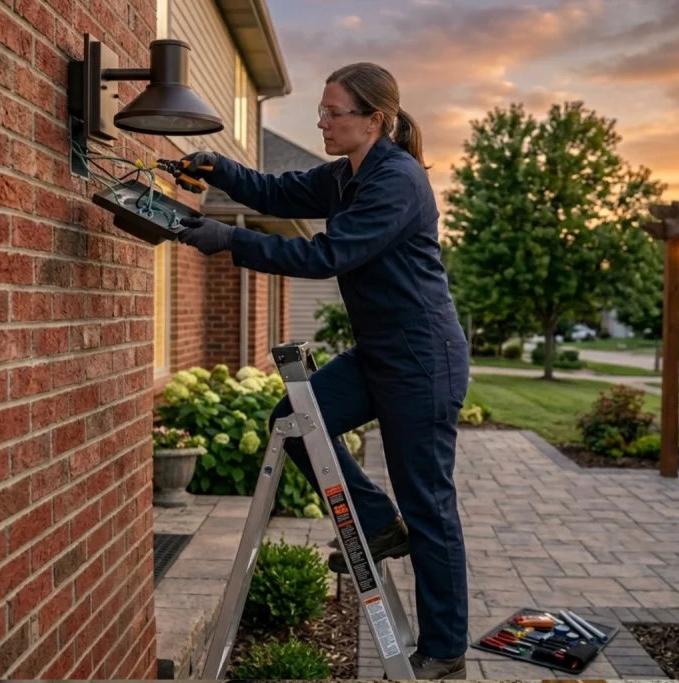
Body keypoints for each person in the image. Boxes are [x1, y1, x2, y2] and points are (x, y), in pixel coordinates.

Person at [173, 62, 469, 679]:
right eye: (323, 110)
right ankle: (376, 521)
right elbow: (281, 195)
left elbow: (326, 255)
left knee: (429, 504)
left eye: (335, 112)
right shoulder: (344, 177)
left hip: (421, 358)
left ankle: (444, 649)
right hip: (379, 352)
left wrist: (228, 240)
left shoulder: (398, 181)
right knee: (294, 419)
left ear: (375, 120)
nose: (322, 121)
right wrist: (218, 169)